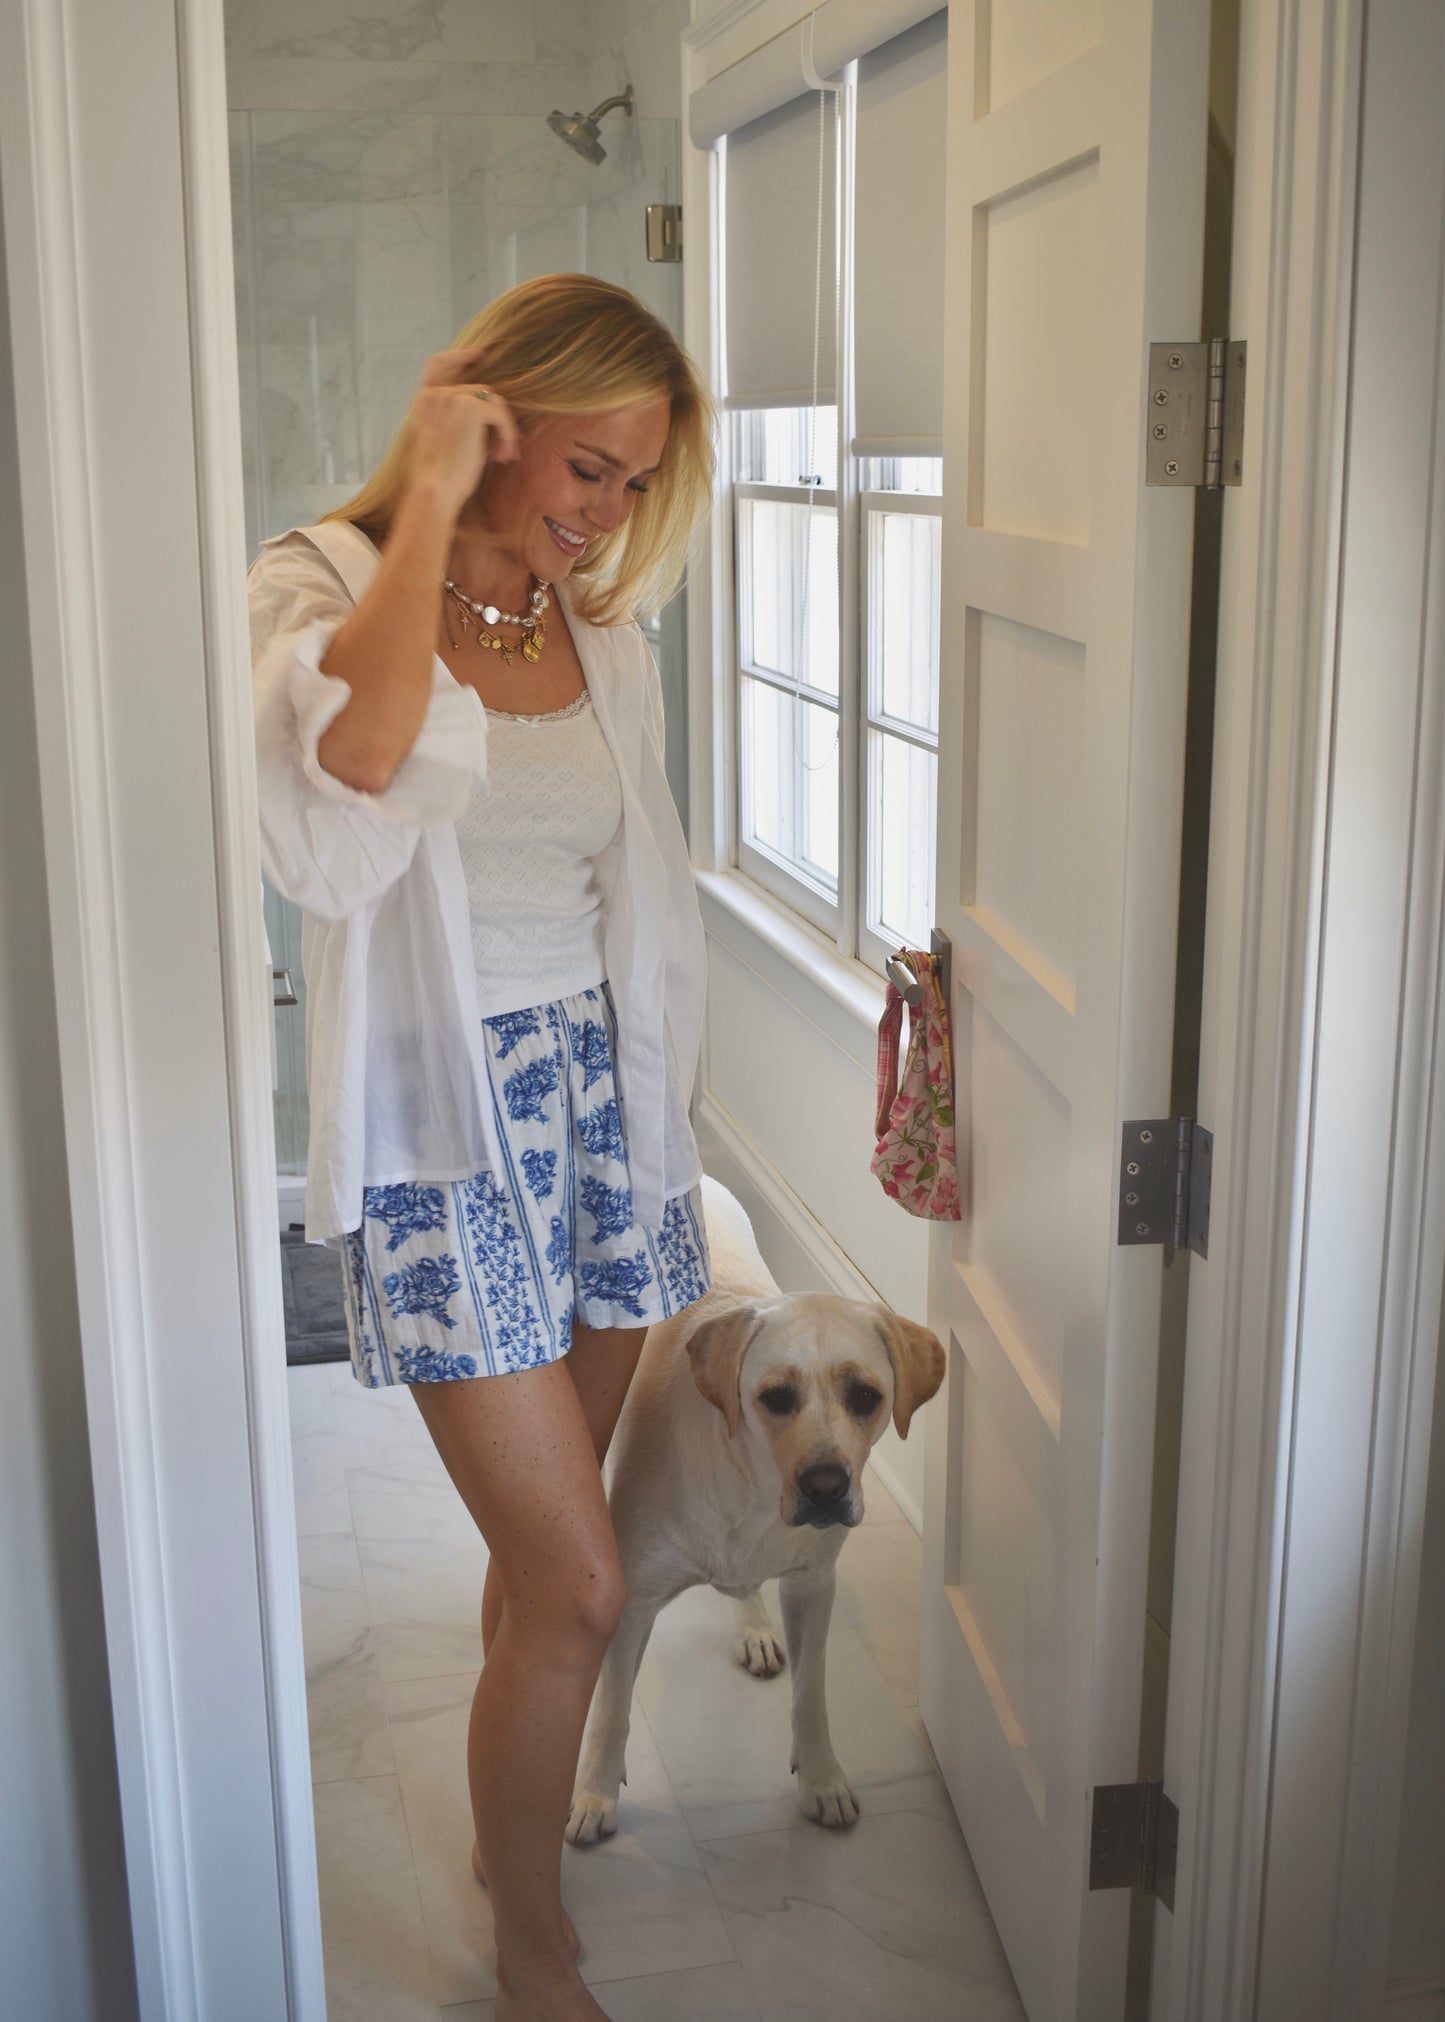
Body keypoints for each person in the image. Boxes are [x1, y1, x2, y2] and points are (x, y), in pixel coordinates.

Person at [249, 273, 715, 2021]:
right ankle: (533, 1947)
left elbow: (631, 897)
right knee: (582, 1584)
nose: (601, 515)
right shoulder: (319, 587)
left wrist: (657, 1130)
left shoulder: (599, 634)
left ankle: (504, 1836)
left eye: (630, 485)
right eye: (583, 469)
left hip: (602, 1119)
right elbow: (349, 780)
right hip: (448, 1135)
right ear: (495, 416)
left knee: (546, 1575)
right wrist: (431, 496)